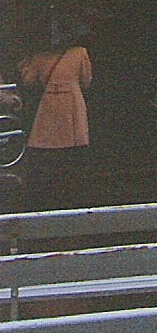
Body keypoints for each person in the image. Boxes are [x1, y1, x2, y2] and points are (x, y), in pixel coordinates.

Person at [17, 24, 93, 209]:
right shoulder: (80, 52)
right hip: (73, 102)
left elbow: (29, 81)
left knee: (48, 142)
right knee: (72, 141)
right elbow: (86, 80)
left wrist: (26, 63)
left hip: (49, 101)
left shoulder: (40, 56)